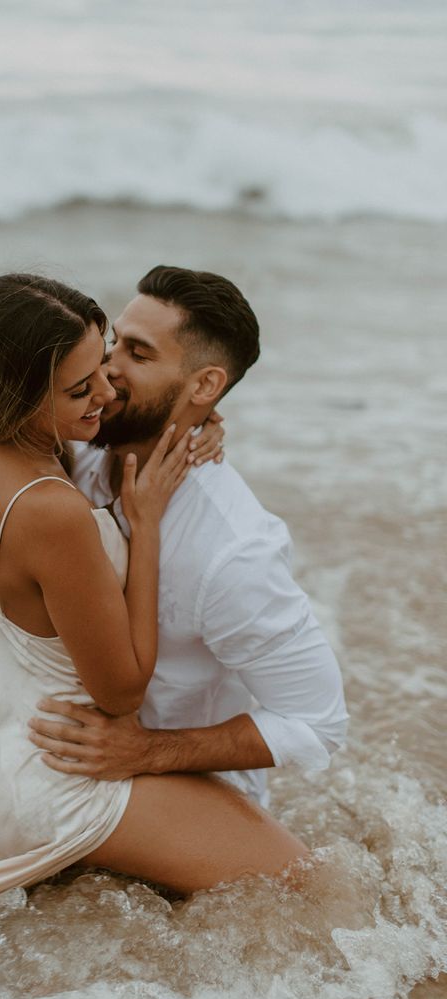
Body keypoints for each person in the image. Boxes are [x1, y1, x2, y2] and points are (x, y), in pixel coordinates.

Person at [0, 273, 307, 918]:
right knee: (305, 882)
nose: (107, 391)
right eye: (80, 389)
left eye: (104, 363)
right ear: (22, 391)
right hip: (47, 771)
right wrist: (145, 526)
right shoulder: (52, 512)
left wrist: (191, 408)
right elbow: (121, 690)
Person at [28, 266, 349, 810]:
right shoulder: (78, 451)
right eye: (113, 344)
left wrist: (146, 752)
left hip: (185, 794)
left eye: (138, 353)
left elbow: (318, 725)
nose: (105, 369)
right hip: (60, 767)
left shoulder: (232, 552)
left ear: (205, 385)